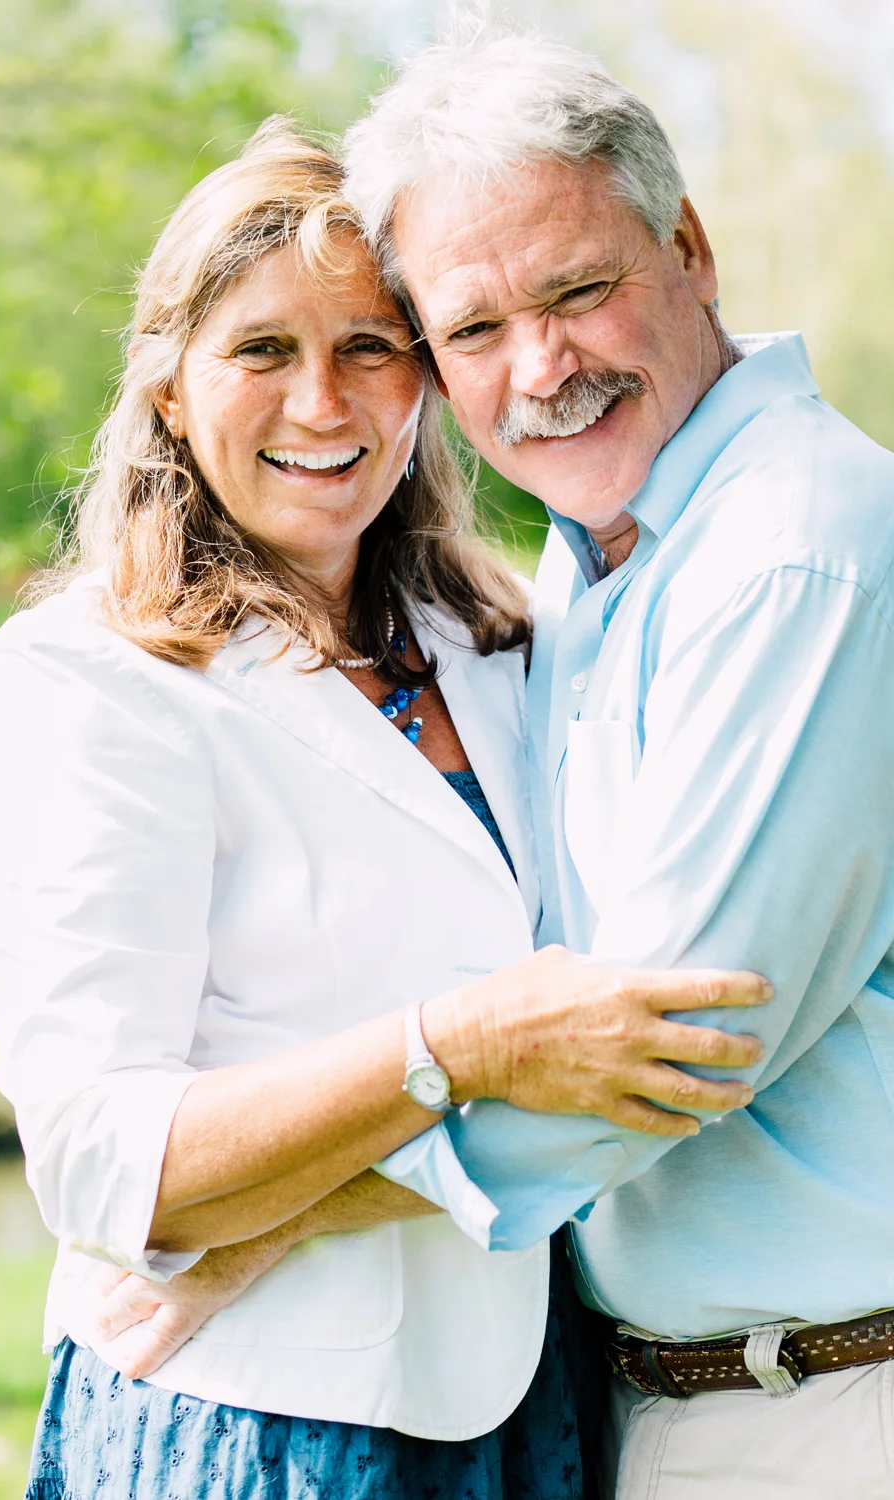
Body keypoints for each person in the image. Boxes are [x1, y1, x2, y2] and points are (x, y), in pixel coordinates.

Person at [0, 124, 763, 1500]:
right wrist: (458, 1046)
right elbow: (103, 1169)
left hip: (555, 1393)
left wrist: (303, 1206)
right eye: (261, 351)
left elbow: (635, 1043)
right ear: (166, 385)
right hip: (264, 1423)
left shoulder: (518, 641)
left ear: (431, 382)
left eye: (370, 347)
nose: (322, 403)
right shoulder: (90, 681)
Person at [346, 14, 894, 1500]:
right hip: (690, 1403)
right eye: (474, 330)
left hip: (838, 1408)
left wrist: (260, 1199)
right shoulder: (605, 561)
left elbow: (669, 1045)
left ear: (690, 246)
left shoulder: (795, 552)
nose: (542, 368)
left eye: (580, 291)